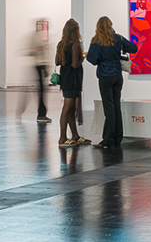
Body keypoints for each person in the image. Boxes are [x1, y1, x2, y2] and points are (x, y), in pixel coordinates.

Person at [86, 15, 135, 149]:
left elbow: (92, 59)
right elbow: (134, 48)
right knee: (116, 106)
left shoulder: (96, 41)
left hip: (105, 76)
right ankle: (117, 137)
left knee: (109, 108)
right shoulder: (118, 38)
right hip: (117, 75)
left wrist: (101, 58)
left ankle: (107, 139)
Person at [55, 19, 86, 147]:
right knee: (67, 108)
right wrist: (82, 57)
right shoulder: (76, 45)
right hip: (73, 80)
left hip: (65, 78)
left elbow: (57, 61)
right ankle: (62, 138)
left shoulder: (61, 44)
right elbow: (75, 64)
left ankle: (75, 135)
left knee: (71, 108)